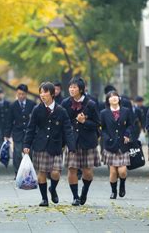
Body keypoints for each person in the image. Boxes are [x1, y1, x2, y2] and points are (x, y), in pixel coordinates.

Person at [23, 82, 76, 207]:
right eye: (41, 92)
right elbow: (30, 128)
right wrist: (27, 144)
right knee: (41, 172)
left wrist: (71, 146)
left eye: (45, 92)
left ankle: (53, 188)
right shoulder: (37, 109)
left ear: (52, 94)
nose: (42, 95)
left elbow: (67, 129)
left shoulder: (61, 110)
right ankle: (44, 199)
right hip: (40, 145)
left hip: (56, 145)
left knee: (55, 173)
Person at [61, 77, 101, 206]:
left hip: (87, 141)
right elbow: (62, 122)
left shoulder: (91, 104)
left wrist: (85, 122)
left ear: (81, 89)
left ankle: (85, 191)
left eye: (74, 87)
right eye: (70, 87)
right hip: (72, 141)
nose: (71, 89)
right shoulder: (65, 103)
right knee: (72, 169)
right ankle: (75, 197)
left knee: (87, 172)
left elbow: (98, 124)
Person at [100, 91, 133, 199]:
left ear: (119, 98)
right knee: (113, 172)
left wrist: (127, 134)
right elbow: (102, 128)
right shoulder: (104, 113)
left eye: (115, 96)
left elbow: (130, 125)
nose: (113, 98)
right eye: (111, 97)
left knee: (122, 171)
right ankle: (113, 191)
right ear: (108, 100)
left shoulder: (126, 111)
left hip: (123, 145)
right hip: (110, 145)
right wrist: (106, 137)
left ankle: (122, 185)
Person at [5, 84, 36, 178]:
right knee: (17, 153)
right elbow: (9, 120)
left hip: (29, 133)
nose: (21, 96)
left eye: (23, 94)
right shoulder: (13, 105)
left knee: (29, 154)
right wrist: (7, 134)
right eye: (19, 94)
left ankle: (28, 173)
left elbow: (36, 120)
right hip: (17, 133)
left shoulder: (32, 104)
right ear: (17, 94)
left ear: (26, 94)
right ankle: (17, 173)